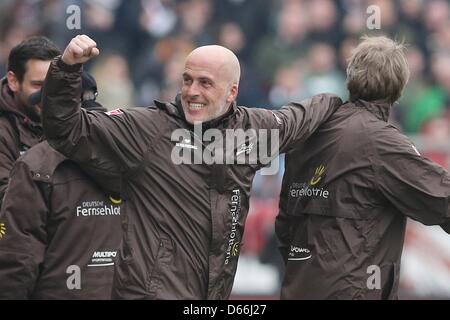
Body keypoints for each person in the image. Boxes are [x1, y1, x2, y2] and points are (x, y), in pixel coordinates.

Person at [40, 34, 342, 299]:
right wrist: (66, 68)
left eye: (205, 83)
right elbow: (65, 128)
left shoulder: (253, 131)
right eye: (187, 80)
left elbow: (298, 119)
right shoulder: (148, 129)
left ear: (232, 92)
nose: (192, 91)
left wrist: (342, 98)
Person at [275, 36, 450, 300]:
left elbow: (285, 224)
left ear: (351, 78)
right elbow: (443, 199)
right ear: (399, 88)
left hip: (298, 287)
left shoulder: (309, 132)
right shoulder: (382, 143)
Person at [0, 77, 122, 299]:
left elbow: (18, 255)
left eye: (43, 102)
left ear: (56, 103)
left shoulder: (36, 163)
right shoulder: (135, 152)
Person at [0, 36, 60, 207]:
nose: (47, 94)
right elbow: (6, 201)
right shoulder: (4, 132)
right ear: (13, 81)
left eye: (53, 83)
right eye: (38, 85)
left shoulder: (77, 119)